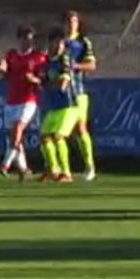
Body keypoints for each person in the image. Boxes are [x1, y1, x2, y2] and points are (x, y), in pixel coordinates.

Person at [0, 26, 46, 179]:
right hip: (12, 100)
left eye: (31, 38)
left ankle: (5, 164)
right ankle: (24, 168)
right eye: (25, 38)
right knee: (14, 136)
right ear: (19, 39)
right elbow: (5, 72)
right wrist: (2, 69)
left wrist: (35, 79)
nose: (28, 41)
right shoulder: (11, 55)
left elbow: (44, 80)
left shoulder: (38, 57)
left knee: (18, 128)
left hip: (29, 99)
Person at [38, 28, 77, 183]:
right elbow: (44, 82)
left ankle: (66, 173)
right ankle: (53, 170)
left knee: (58, 136)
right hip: (55, 106)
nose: (60, 46)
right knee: (44, 137)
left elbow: (63, 83)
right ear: (51, 43)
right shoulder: (48, 61)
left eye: (62, 42)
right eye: (57, 42)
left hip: (68, 105)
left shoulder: (64, 59)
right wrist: (42, 81)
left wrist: (49, 82)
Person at [64, 11, 97, 182]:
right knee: (64, 133)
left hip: (78, 91)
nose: (71, 24)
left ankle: (90, 166)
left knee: (81, 128)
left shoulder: (83, 42)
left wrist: (75, 65)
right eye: (69, 21)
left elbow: (92, 65)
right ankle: (62, 168)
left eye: (74, 21)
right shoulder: (60, 42)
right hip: (61, 92)